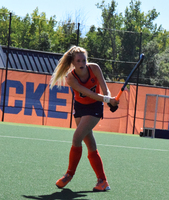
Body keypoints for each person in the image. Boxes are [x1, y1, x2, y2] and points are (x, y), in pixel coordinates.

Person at [49, 46, 119, 191]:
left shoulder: (95, 68)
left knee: (76, 138)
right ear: (73, 63)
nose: (82, 63)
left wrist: (109, 99)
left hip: (94, 108)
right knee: (90, 144)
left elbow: (104, 88)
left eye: (84, 59)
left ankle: (68, 175)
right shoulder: (70, 78)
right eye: (78, 60)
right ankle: (103, 181)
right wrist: (108, 100)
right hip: (80, 109)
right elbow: (87, 93)